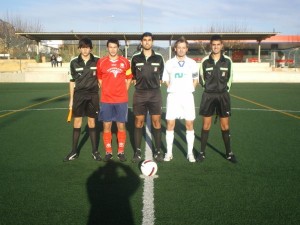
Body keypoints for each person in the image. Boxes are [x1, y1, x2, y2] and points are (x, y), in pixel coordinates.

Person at [197, 35, 237, 163]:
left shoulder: (228, 61)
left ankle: (229, 153)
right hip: (208, 96)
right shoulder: (204, 61)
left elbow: (230, 79)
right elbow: (201, 79)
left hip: (223, 96)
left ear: (221, 46)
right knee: (206, 125)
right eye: (213, 44)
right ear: (211, 45)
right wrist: (209, 89)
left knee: (225, 126)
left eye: (218, 44)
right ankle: (202, 153)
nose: (215, 47)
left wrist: (224, 91)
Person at [63, 37, 101, 162]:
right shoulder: (74, 62)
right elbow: (72, 82)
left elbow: (101, 79)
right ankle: (74, 151)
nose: (85, 50)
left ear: (91, 48)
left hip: (93, 95)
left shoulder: (98, 61)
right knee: (77, 122)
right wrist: (71, 100)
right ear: (79, 48)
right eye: (83, 47)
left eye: (87, 47)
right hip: (79, 95)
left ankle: (95, 152)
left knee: (92, 122)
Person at [162, 37, 199, 163]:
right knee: (170, 124)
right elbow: (165, 80)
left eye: (184, 47)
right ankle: (169, 153)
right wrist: (173, 89)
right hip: (173, 97)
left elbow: (196, 80)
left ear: (187, 49)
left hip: (188, 97)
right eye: (179, 47)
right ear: (175, 49)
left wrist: (188, 89)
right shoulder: (169, 63)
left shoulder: (192, 63)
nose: (181, 50)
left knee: (189, 124)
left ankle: (190, 153)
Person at [130, 32, 165, 163]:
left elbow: (162, 75)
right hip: (140, 93)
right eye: (144, 40)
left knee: (156, 122)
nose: (147, 42)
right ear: (141, 42)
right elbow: (132, 74)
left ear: (152, 42)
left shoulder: (159, 58)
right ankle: (137, 151)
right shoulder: (135, 58)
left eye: (149, 40)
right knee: (138, 122)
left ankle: (158, 151)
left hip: (155, 93)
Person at [97, 38, 132, 162]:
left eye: (115, 47)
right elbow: (99, 78)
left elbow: (129, 78)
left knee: (121, 126)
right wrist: (106, 90)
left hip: (121, 100)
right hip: (106, 100)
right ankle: (108, 152)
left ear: (118, 48)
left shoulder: (125, 62)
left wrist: (124, 91)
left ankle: (121, 152)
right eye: (110, 47)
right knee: (106, 126)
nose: (112, 49)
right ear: (107, 48)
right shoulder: (101, 62)